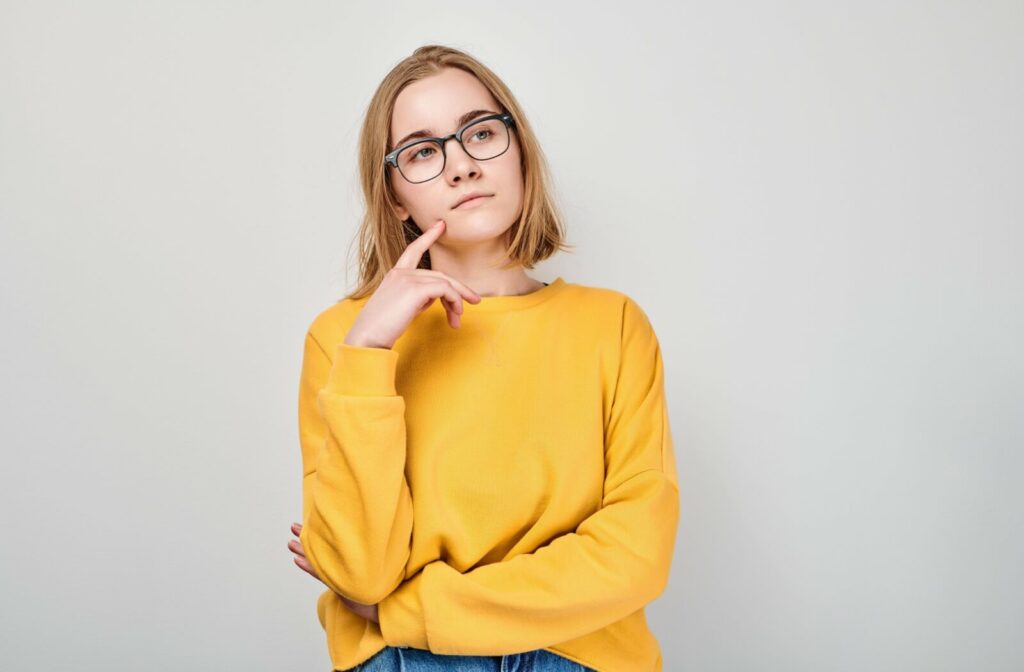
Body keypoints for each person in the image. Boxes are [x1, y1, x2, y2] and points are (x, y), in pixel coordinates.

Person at [287, 44, 680, 672]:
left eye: (481, 133)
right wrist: (367, 354)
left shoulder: (614, 325)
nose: (461, 166)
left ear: (519, 149)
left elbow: (635, 556)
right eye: (421, 152)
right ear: (392, 197)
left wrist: (411, 610)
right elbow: (359, 574)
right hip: (404, 662)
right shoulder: (343, 339)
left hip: (580, 656)